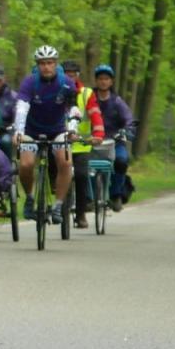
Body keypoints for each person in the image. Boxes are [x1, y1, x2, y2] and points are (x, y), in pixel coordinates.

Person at [13, 44, 78, 223]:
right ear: (37, 65)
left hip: (57, 130)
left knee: (65, 162)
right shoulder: (30, 82)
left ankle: (58, 205)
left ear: (56, 64)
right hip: (31, 130)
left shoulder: (66, 82)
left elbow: (73, 108)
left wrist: (73, 129)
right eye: (42, 63)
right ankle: (30, 197)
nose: (46, 67)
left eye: (50, 63)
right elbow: (21, 107)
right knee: (26, 164)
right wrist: (18, 131)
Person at [62, 62, 105, 228]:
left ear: (78, 75)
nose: (70, 77)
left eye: (73, 74)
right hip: (61, 142)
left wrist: (98, 134)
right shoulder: (55, 92)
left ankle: (80, 214)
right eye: (67, 74)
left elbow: (95, 115)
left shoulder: (86, 94)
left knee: (80, 175)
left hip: (81, 144)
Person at [92, 64, 136, 210]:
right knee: (81, 165)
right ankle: (86, 197)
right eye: (100, 78)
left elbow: (129, 119)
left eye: (106, 79)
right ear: (96, 81)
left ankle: (116, 194)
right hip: (92, 140)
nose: (103, 82)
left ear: (111, 82)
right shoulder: (89, 99)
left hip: (114, 141)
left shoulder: (117, 101)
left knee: (122, 161)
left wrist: (127, 130)